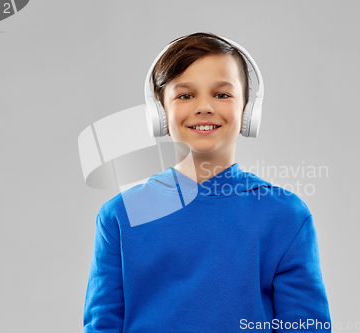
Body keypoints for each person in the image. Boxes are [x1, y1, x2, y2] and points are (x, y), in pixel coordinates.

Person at [83, 32, 332, 332]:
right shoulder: (120, 216)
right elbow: (103, 326)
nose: (204, 107)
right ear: (160, 113)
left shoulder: (285, 216)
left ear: (248, 112)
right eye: (185, 95)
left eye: (222, 94)